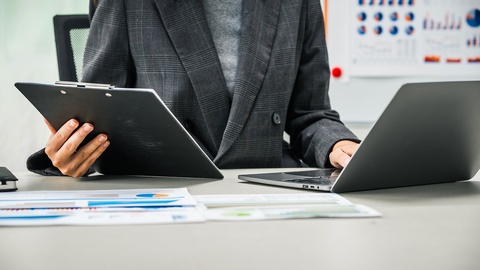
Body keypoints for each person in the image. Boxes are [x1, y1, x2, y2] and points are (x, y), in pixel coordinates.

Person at [27, 0, 360, 178]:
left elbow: (309, 114)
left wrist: (337, 142)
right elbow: (99, 110)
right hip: (164, 190)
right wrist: (71, 155)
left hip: (267, 188)